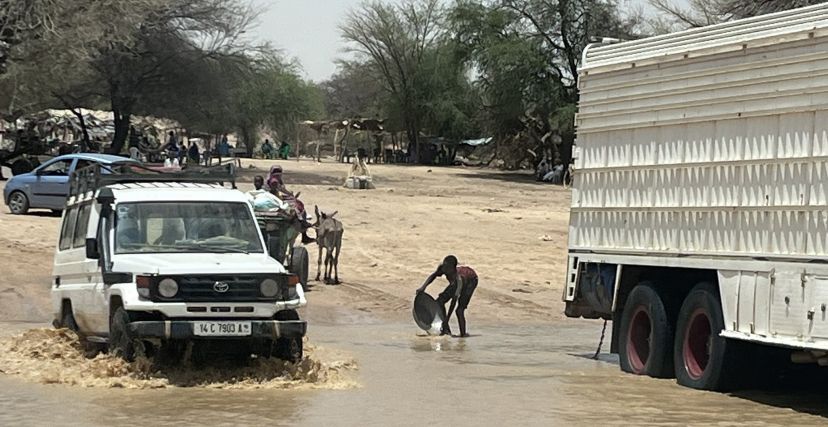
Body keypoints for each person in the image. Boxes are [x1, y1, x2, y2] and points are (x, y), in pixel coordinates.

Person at [417, 255, 478, 337]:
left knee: (459, 310)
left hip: (471, 281)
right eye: (444, 266)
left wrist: (447, 320)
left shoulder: (459, 279)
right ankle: (447, 331)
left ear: (453, 268)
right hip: (455, 283)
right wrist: (423, 287)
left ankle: (463, 334)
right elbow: (433, 275)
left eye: (447, 267)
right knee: (439, 302)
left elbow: (453, 301)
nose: (445, 269)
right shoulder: (443, 268)